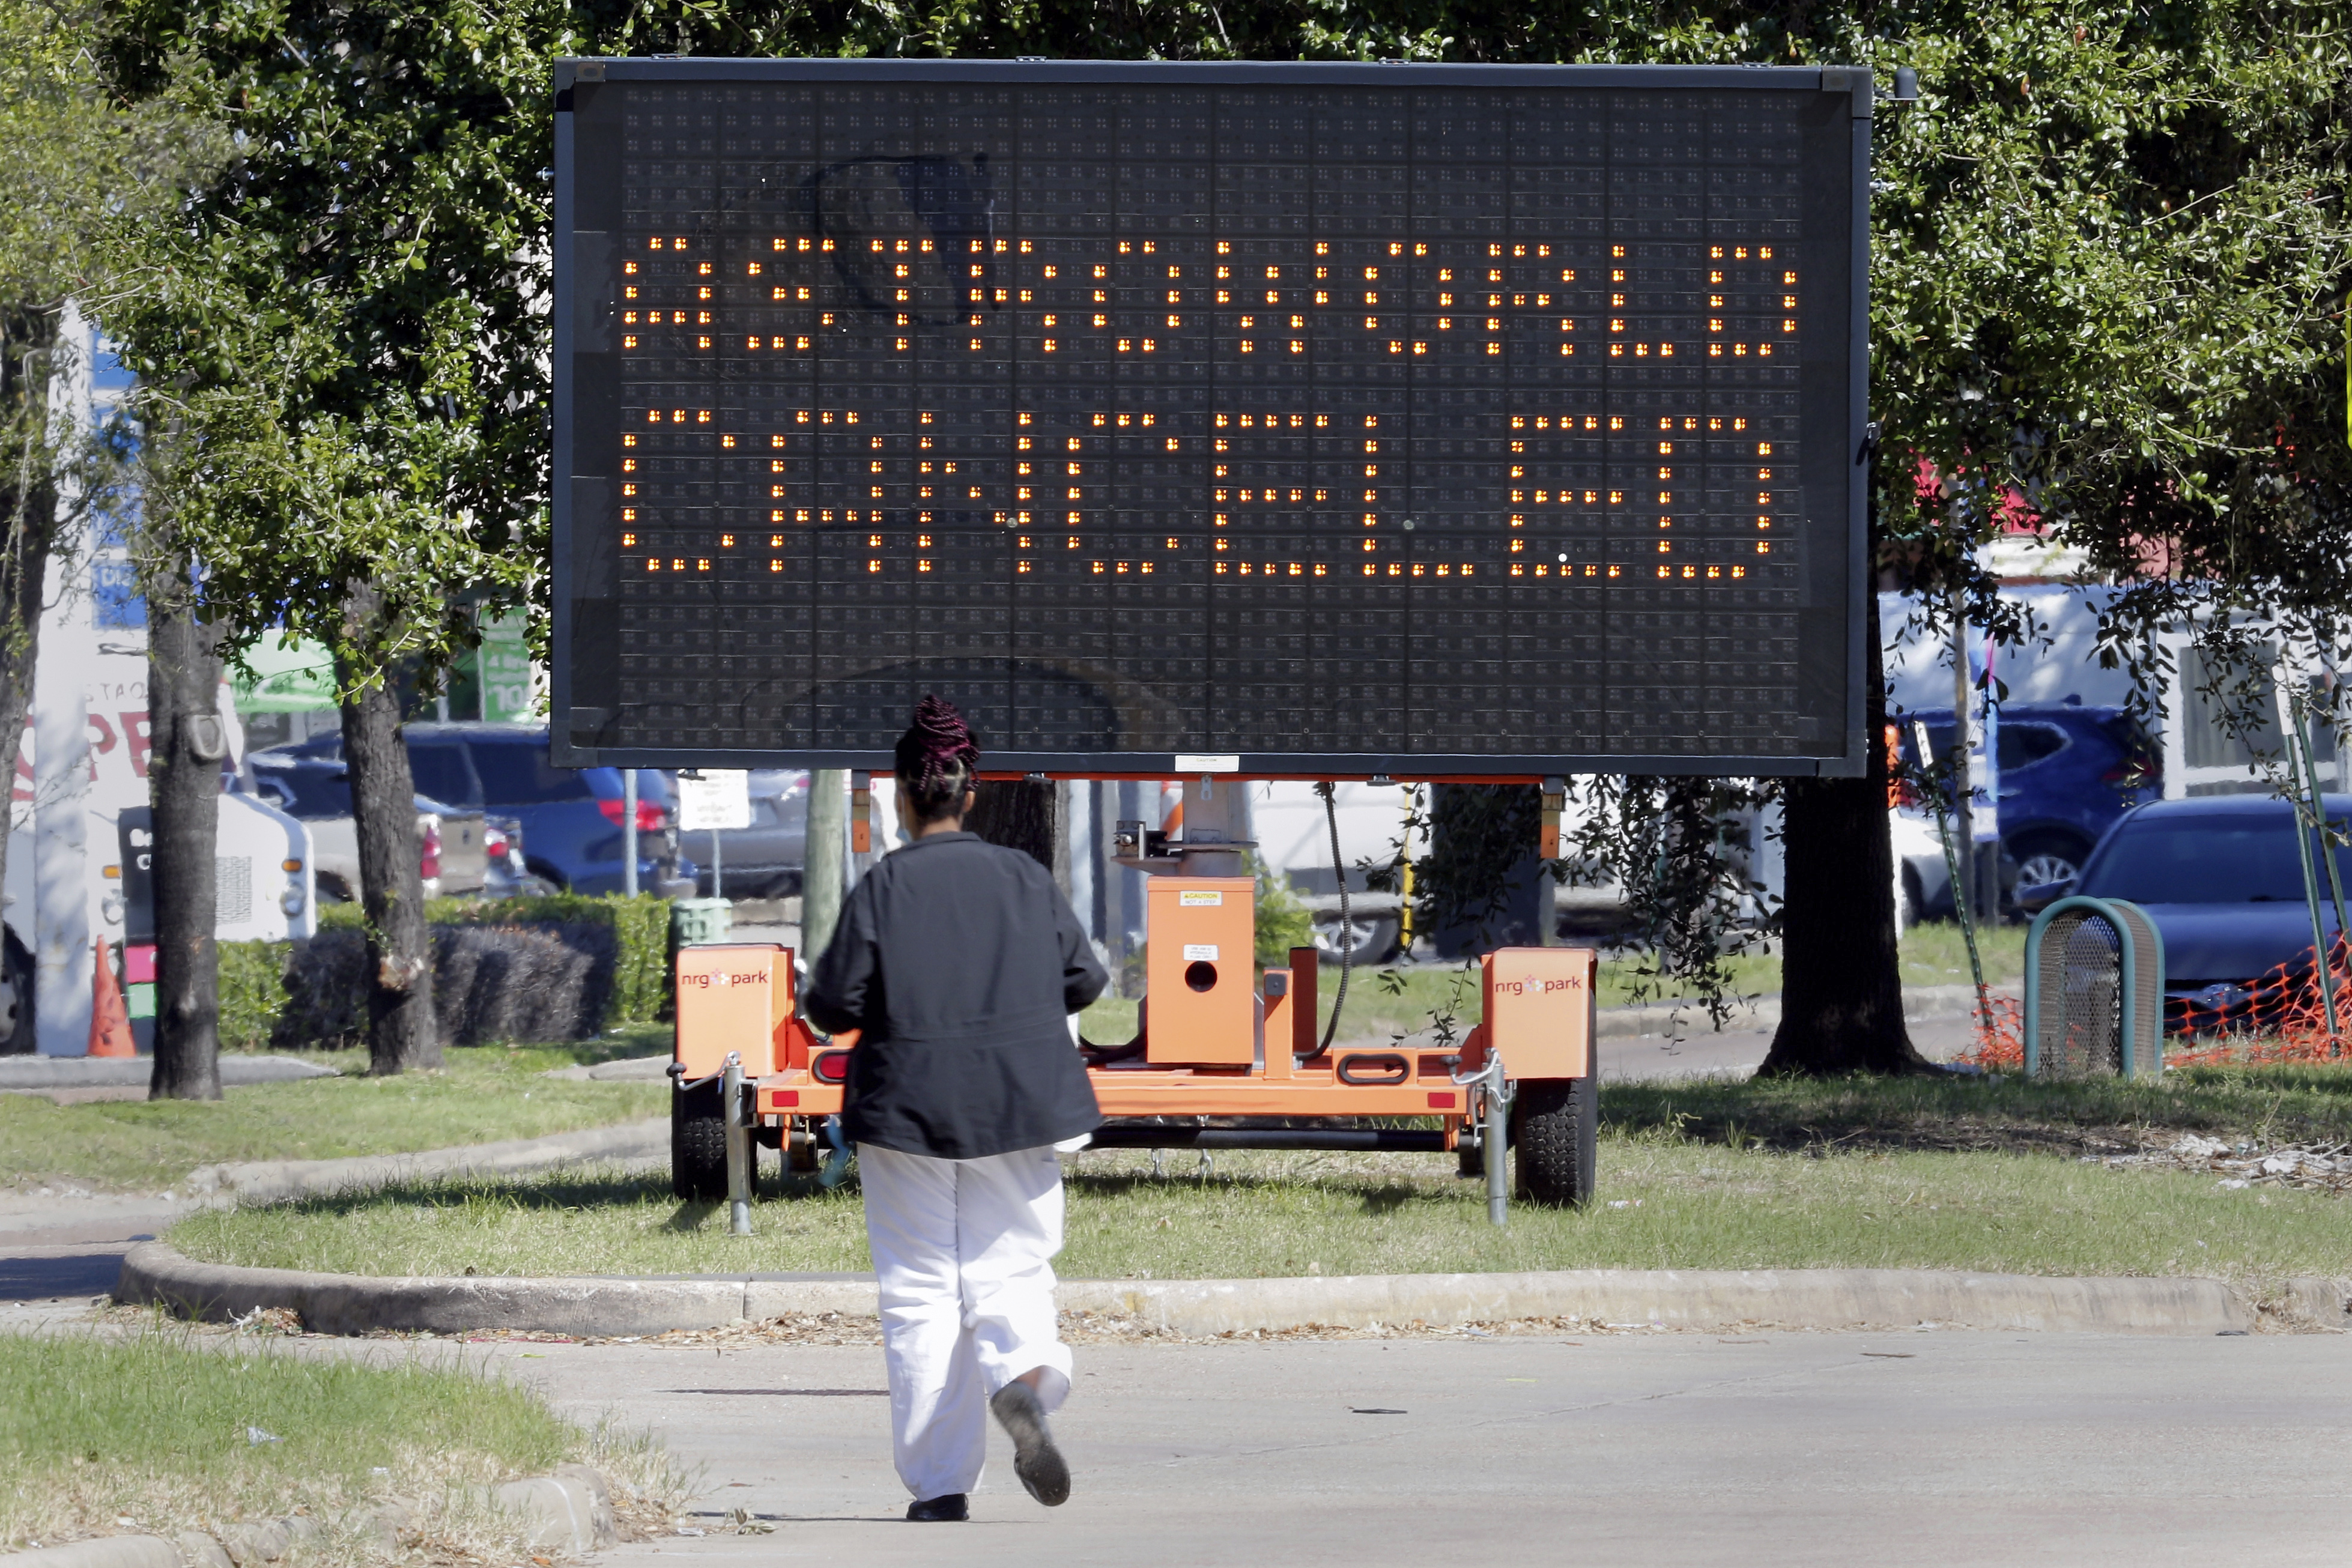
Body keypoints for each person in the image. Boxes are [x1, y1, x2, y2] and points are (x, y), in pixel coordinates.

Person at [804, 695, 1108, 1523]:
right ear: (970, 793)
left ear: (904, 795)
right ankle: (1023, 1379)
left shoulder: (884, 886)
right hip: (1019, 1104)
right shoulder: (1023, 878)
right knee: (1011, 1266)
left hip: (905, 1111)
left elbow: (832, 1004)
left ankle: (940, 1488)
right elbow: (1085, 981)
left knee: (921, 1291)